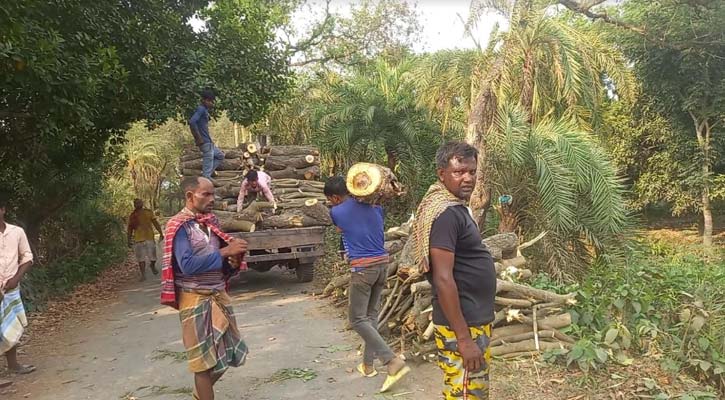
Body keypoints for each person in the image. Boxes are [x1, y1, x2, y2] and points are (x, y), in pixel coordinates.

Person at [411, 142, 496, 400]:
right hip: (463, 326)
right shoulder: (446, 215)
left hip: (473, 321)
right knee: (464, 393)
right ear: (441, 174)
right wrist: (464, 340)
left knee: (473, 392)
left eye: (472, 171)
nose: (467, 178)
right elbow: (443, 278)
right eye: (459, 172)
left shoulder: (456, 208)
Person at [160, 176, 249, 400]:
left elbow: (219, 264)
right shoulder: (179, 225)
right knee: (202, 364)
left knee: (227, 353)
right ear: (190, 196)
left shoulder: (211, 222)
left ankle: (199, 394)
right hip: (194, 298)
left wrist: (232, 264)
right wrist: (224, 252)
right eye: (206, 194)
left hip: (217, 295)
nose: (212, 199)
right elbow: (187, 265)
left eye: (213, 193)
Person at [324, 176, 410, 392]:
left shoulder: (337, 212)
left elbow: (340, 228)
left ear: (335, 197)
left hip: (363, 269)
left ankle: (391, 361)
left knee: (356, 319)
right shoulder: (376, 207)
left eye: (330, 200)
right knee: (370, 317)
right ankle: (368, 365)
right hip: (382, 266)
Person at [0, 196, 36, 387]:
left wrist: (16, 278)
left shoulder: (17, 232)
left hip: (11, 288)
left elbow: (28, 256)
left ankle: (13, 365)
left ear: (3, 209)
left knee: (11, 326)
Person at [189, 89, 224, 178]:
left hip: (209, 142)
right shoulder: (201, 109)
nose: (212, 104)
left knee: (220, 155)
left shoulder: (204, 110)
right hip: (205, 142)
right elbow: (192, 122)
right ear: (205, 100)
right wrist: (198, 138)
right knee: (206, 175)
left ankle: (207, 174)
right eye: (211, 101)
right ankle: (206, 177)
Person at [127, 199, 164, 281]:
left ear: (142, 203)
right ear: (134, 205)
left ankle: (152, 265)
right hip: (138, 239)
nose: (138, 204)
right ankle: (143, 275)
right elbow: (130, 228)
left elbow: (155, 223)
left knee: (153, 257)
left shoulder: (148, 212)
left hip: (149, 237)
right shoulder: (133, 215)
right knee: (141, 259)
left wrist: (161, 233)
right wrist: (128, 240)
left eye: (139, 202)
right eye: (136, 203)